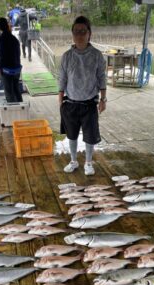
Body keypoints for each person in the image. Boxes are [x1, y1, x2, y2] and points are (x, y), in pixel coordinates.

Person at [59, 16, 107, 176]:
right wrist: (60, 99)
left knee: (90, 136)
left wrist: (103, 99)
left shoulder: (97, 55)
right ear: (72, 34)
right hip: (70, 103)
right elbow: (62, 78)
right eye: (76, 32)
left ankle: (88, 162)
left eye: (83, 31)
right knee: (71, 135)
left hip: (90, 103)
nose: (80, 35)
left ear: (89, 34)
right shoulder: (66, 56)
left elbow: (101, 77)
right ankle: (73, 161)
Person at [0, 17, 22, 102]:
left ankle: (13, 111)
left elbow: (2, 56)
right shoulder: (14, 38)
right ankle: (21, 109)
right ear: (7, 26)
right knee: (16, 90)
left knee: (9, 93)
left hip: (7, 70)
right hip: (17, 69)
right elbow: (19, 54)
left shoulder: (2, 39)